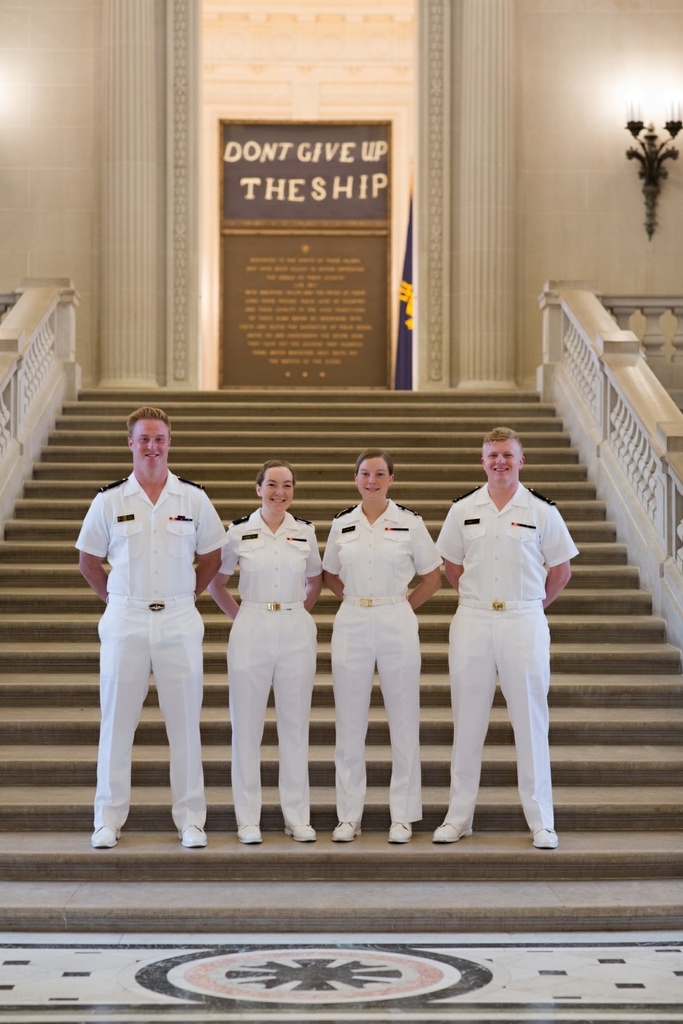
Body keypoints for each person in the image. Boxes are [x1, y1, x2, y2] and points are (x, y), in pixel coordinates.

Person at [76, 406, 225, 850]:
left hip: (179, 619)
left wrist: (189, 594)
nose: (152, 447)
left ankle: (191, 820)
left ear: (169, 443)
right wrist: (117, 599)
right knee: (116, 723)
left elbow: (213, 557)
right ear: (130, 443)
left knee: (184, 724)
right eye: (144, 439)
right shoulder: (110, 500)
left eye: (159, 439)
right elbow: (88, 560)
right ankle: (107, 819)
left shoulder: (193, 499)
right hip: (126, 619)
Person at [433, 426, 579, 849]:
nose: (500, 462)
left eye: (507, 455)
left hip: (523, 622)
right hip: (474, 622)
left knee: (531, 723)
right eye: (493, 455)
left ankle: (541, 823)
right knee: (468, 723)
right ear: (483, 461)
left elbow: (561, 571)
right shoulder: (463, 509)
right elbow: (452, 567)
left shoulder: (541, 510)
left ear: (521, 461)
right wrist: (483, 602)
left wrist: (530, 605)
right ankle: (458, 818)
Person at [323, 448, 442, 844]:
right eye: (364, 474)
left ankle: (403, 816)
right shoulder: (342, 523)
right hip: (353, 620)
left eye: (379, 474)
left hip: (396, 619)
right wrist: (357, 601)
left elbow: (432, 577)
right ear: (355, 479)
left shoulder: (410, 522)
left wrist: (400, 606)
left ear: (391, 478)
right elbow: (330, 575)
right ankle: (348, 816)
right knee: (349, 722)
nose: (371, 480)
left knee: (404, 720)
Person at [207, 460, 323, 844]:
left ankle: (296, 817)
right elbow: (217, 583)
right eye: (272, 484)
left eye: (287, 485)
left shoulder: (304, 532)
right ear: (258, 488)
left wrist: (295, 614)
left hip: (294, 628)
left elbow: (315, 580)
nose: (280, 492)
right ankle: (248, 819)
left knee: (295, 725)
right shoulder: (238, 531)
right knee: (247, 727)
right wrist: (244, 616)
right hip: (251, 626)